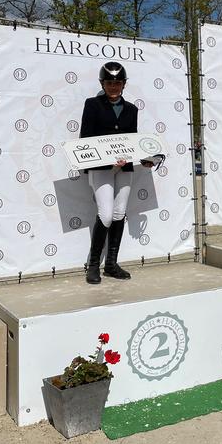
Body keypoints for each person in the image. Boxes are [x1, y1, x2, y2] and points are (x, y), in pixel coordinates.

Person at [80, 62, 153, 284]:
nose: (113, 86)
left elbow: (132, 138)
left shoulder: (131, 109)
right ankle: (93, 265)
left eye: (118, 83)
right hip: (101, 167)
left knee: (119, 213)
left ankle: (111, 264)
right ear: (102, 84)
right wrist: (104, 157)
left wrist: (144, 158)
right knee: (106, 214)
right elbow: (86, 137)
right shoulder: (92, 104)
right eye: (109, 83)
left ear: (124, 84)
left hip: (124, 167)